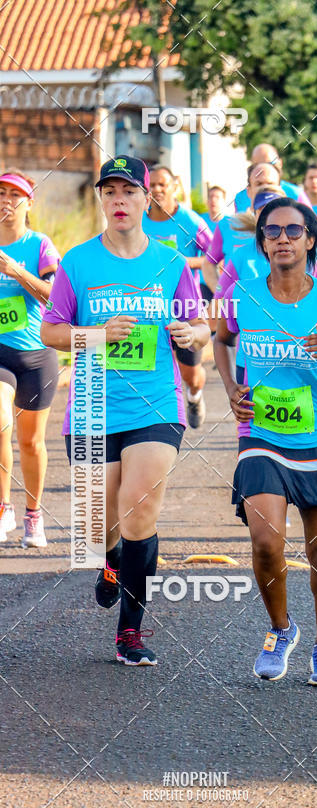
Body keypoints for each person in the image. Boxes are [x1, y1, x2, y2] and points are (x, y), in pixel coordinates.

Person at [41, 156, 210, 666]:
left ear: (145, 199)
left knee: (139, 509)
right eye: (110, 192)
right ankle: (110, 561)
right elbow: (51, 331)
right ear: (101, 200)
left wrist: (191, 333)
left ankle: (130, 632)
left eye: (129, 192)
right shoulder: (77, 261)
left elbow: (201, 326)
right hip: (91, 406)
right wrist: (94, 334)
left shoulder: (170, 264)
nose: (119, 200)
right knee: (99, 528)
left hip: (155, 403)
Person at [214, 197, 317, 685]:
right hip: (260, 434)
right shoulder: (240, 294)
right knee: (266, 544)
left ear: (310, 239)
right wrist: (230, 388)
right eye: (272, 231)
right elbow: (221, 340)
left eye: (292, 230)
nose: (282, 237)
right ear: (262, 242)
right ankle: (280, 630)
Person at [0, 169, 60, 547]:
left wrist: (16, 271)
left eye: (14, 195)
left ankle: (33, 517)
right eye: (0, 193)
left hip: (37, 355)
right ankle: (2, 506)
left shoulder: (40, 245)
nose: (6, 200)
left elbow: (55, 297)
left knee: (31, 443)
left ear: (28, 203)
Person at [143, 165, 213, 427]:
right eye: (152, 185)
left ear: (175, 187)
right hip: (147, 305)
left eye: (163, 184)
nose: (157, 190)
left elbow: (214, 256)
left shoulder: (191, 222)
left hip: (184, 307)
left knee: (191, 374)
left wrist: (181, 262)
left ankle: (194, 395)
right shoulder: (138, 219)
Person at [203, 163, 281, 294]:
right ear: (249, 191)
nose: (265, 189)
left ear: (279, 188)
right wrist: (221, 293)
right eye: (259, 184)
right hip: (240, 310)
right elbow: (208, 264)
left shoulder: (295, 228)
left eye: (270, 184)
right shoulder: (228, 226)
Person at [234, 143, 310, 211]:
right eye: (257, 165)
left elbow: (311, 224)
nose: (264, 168)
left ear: (280, 163)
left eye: (270, 163)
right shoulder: (240, 199)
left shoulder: (296, 194)